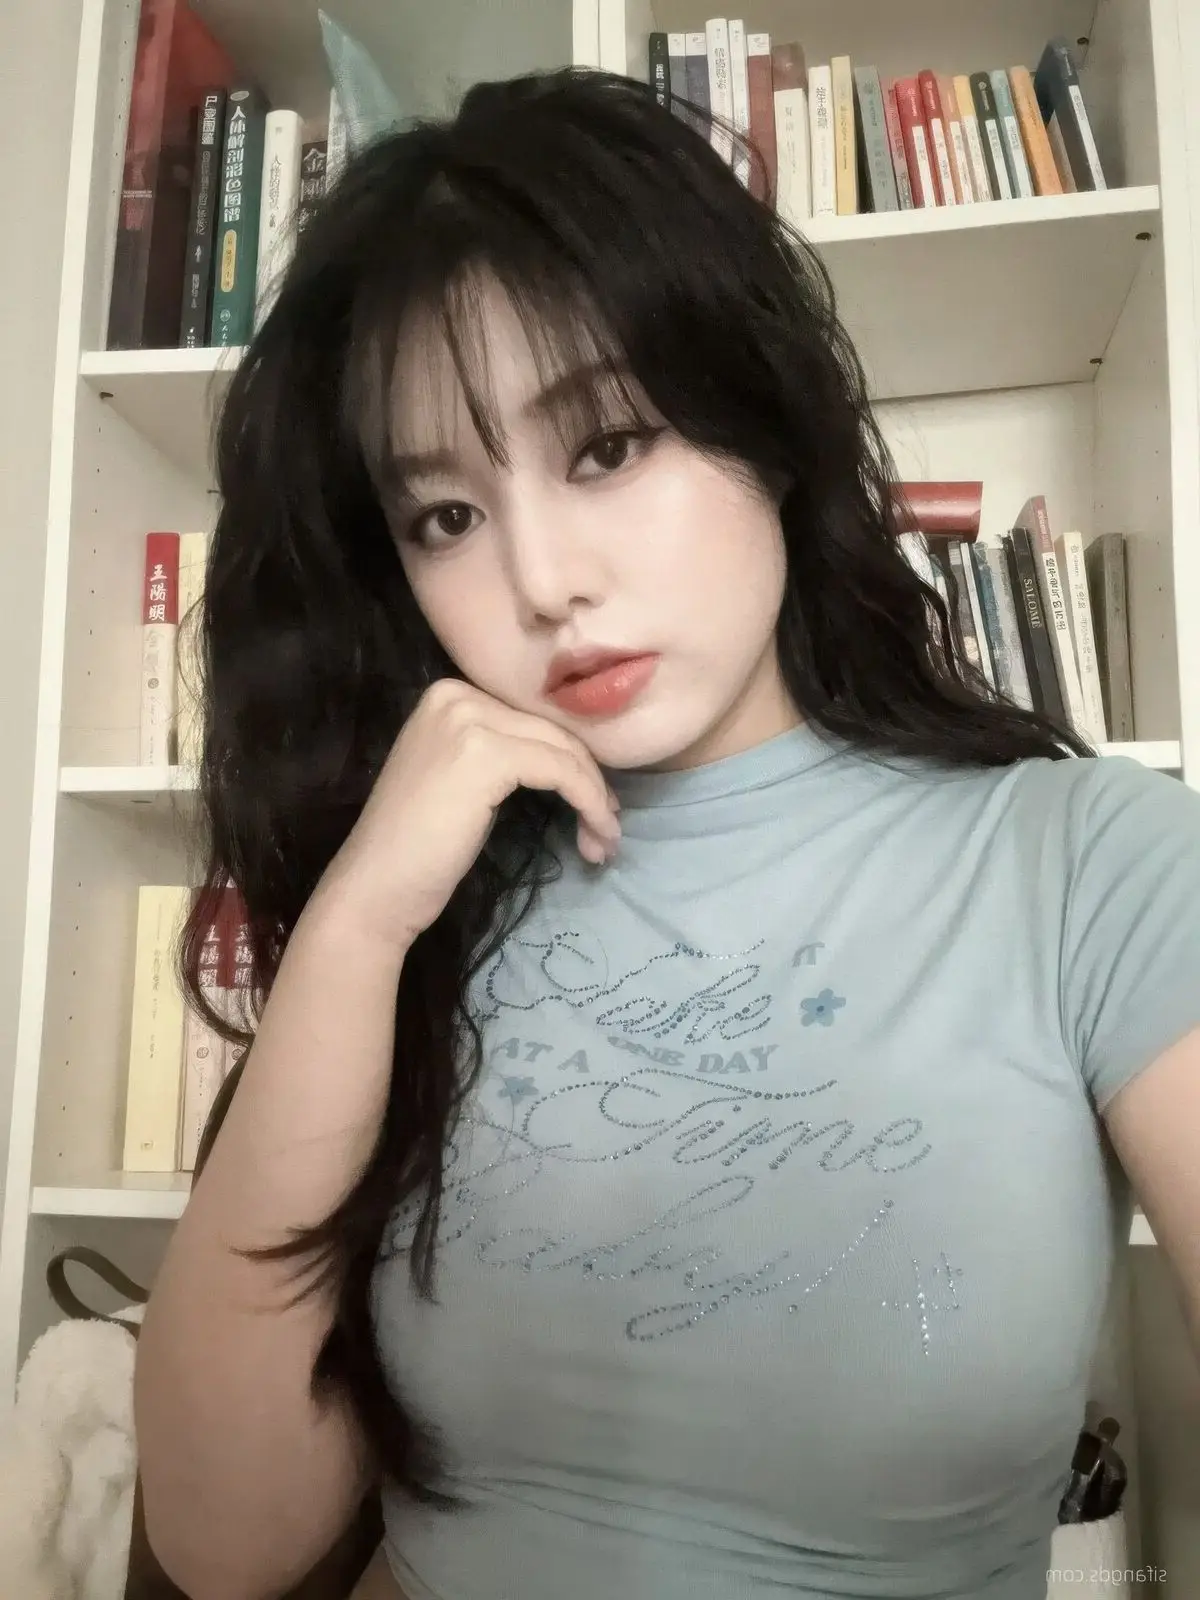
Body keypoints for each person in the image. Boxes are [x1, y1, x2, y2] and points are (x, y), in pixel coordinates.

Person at [133, 67, 1200, 1600]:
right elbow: (227, 1547)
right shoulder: (420, 912)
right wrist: (358, 919)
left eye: (607, 446)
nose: (542, 580)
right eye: (445, 517)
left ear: (763, 418)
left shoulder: (1092, 864)